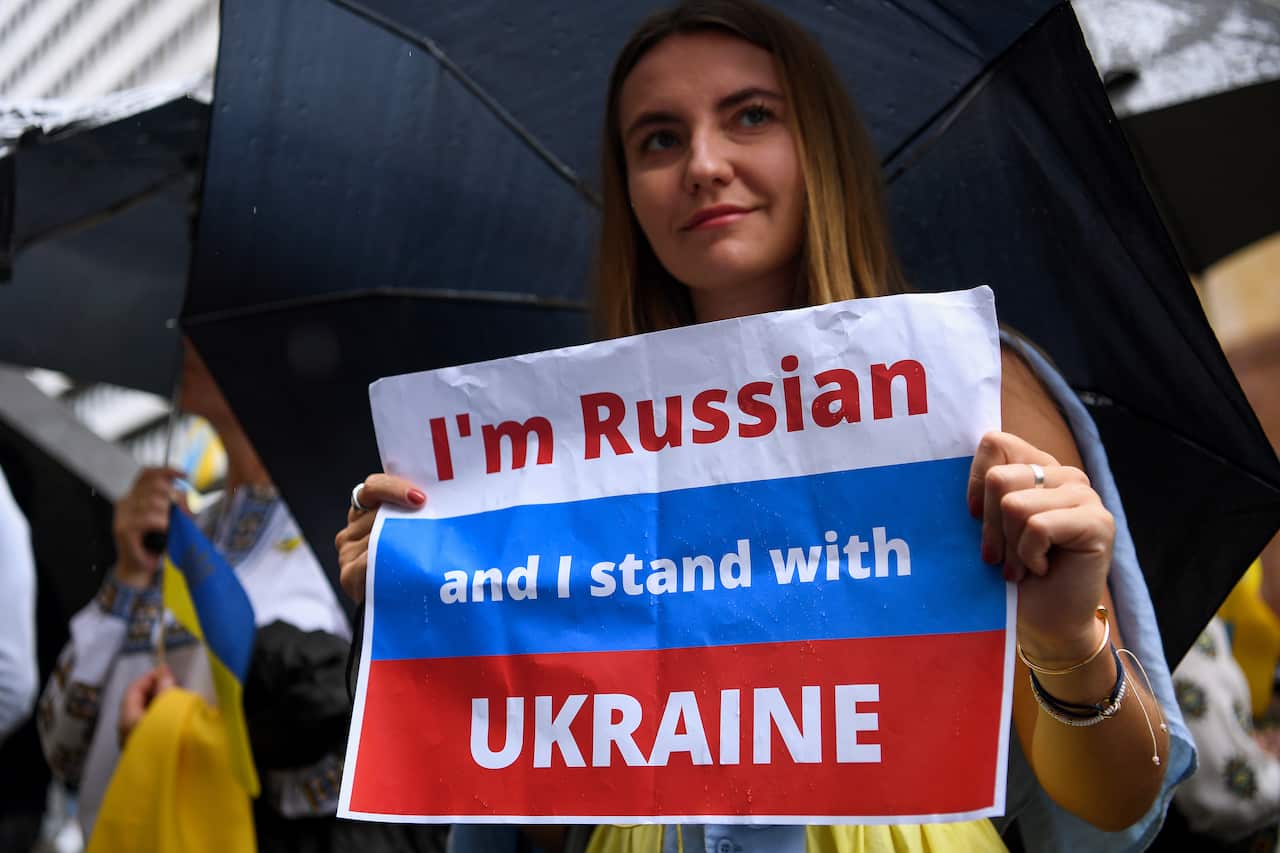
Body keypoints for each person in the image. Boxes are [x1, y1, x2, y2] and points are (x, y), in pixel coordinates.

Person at [334, 2, 1192, 850]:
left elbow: (1120, 798)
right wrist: (438, 603)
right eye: (658, 139)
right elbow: (539, 799)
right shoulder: (564, 451)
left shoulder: (966, 389)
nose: (704, 164)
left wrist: (1067, 636)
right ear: (629, 190)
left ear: (818, 146)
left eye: (751, 116)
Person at [38, 341, 446, 853]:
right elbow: (62, 749)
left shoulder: (341, 545)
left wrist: (175, 742)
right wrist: (126, 576)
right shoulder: (176, 531)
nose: (186, 342)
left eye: (208, 336)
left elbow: (370, 766)